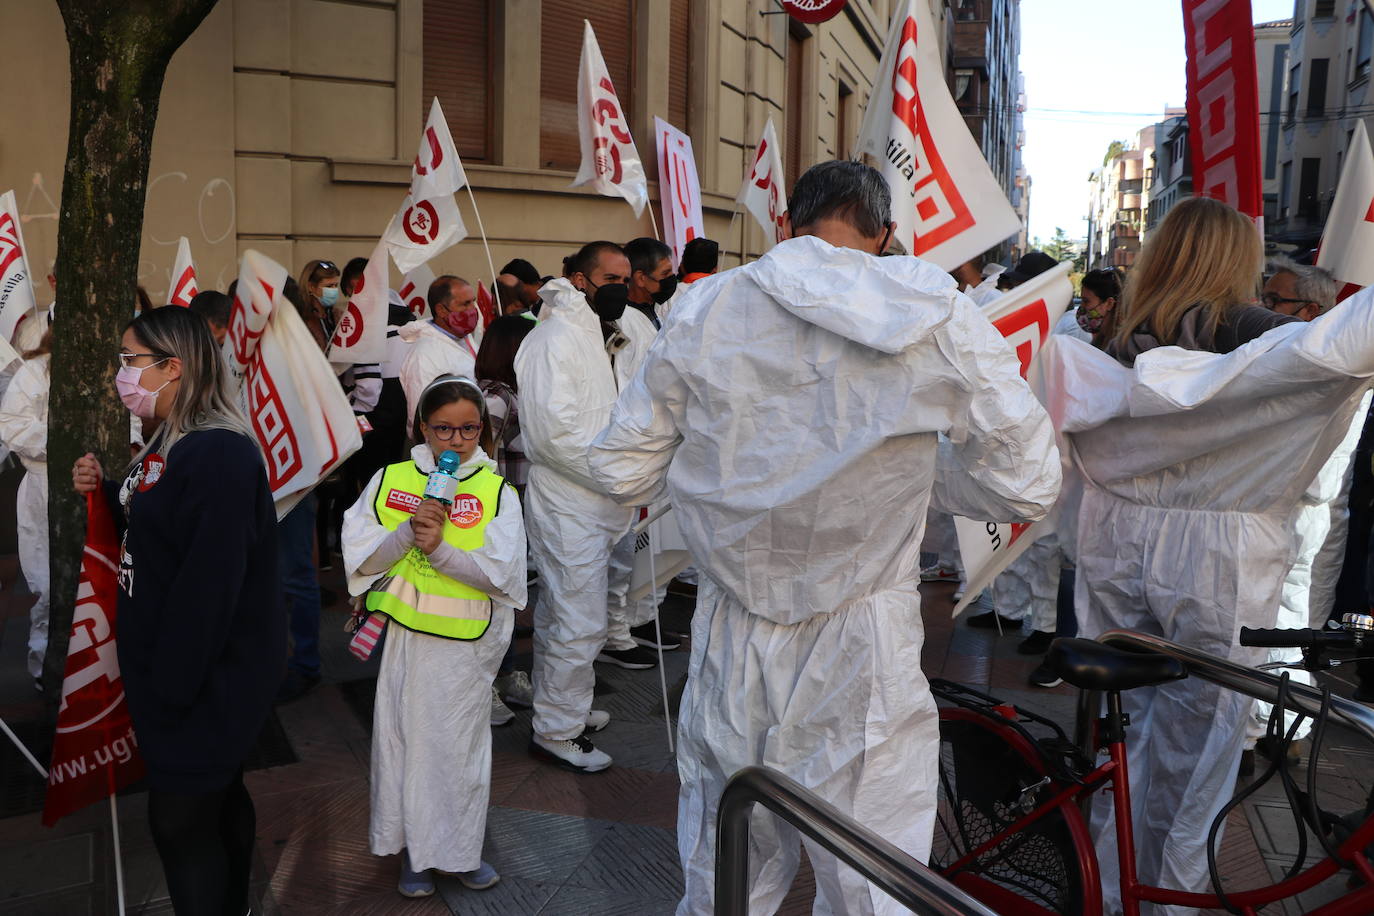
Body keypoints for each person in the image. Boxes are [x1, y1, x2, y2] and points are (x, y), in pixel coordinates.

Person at [588, 160, 1061, 914]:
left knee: (727, 859)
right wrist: (916, 475)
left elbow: (619, 470)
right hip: (864, 637)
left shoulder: (707, 309)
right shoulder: (936, 312)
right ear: (885, 235)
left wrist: (724, 471)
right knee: (870, 873)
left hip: (735, 622)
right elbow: (1027, 483)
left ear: (785, 225)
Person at [1048, 196, 1331, 912]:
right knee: (1201, 749)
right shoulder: (1250, 330)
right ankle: (1172, 899)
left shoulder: (1119, 334)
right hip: (1217, 552)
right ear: (1232, 261)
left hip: (1117, 537)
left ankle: (1113, 888)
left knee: (1131, 733)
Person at [71, 306, 282, 916]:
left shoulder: (219, 455)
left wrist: (170, 687)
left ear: (175, 367)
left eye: (130, 361)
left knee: (179, 820)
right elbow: (160, 521)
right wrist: (110, 490)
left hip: (205, 677)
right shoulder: (173, 438)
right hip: (178, 670)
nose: (122, 374)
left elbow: (209, 588)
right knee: (215, 798)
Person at [341, 375, 526, 898]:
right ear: (422, 427)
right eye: (443, 429)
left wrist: (442, 548)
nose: (456, 441)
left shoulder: (495, 490)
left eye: (469, 429)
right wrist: (406, 533)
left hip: (465, 649)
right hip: (405, 640)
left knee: (457, 752)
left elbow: (504, 574)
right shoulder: (391, 478)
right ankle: (412, 853)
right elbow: (358, 553)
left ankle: (460, 852)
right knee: (402, 745)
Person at [515, 241, 638, 772]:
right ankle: (557, 730)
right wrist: (620, 477)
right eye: (610, 277)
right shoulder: (552, 339)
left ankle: (562, 704)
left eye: (626, 278)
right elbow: (551, 436)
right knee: (578, 619)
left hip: (599, 501)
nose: (621, 286)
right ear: (579, 279)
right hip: (569, 503)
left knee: (563, 613)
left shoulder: (598, 335)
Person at [1244, 258, 1363, 762]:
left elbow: (1316, 470)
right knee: (1273, 619)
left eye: (1274, 302)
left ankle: (1280, 731)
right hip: (1282, 509)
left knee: (1284, 620)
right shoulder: (1305, 361)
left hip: (1296, 510)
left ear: (1312, 310)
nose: (1263, 309)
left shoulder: (1338, 371)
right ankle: (1271, 726)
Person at [474, 315, 538, 724]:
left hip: (509, 506)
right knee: (493, 598)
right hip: (492, 510)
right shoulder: (495, 398)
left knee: (508, 594)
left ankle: (509, 672)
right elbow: (479, 456)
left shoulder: (511, 393)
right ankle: (486, 686)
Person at [0, 330, 52, 692]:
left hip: (101, 483)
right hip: (42, 488)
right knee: (45, 585)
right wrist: (68, 437)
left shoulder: (113, 367)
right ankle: (44, 671)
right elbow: (14, 427)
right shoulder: (35, 371)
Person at [398, 275, 481, 423]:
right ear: (441, 310)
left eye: (473, 302)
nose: (472, 309)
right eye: (465, 304)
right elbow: (422, 413)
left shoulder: (464, 337)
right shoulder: (424, 355)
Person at [623, 237, 676, 329]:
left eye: (671, 272)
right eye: (665, 273)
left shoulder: (660, 305)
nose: (671, 278)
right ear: (640, 279)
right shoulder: (622, 319)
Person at [297, 259, 341, 351]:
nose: (334, 290)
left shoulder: (338, 315)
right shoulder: (300, 318)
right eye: (329, 286)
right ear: (311, 287)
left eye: (336, 285)